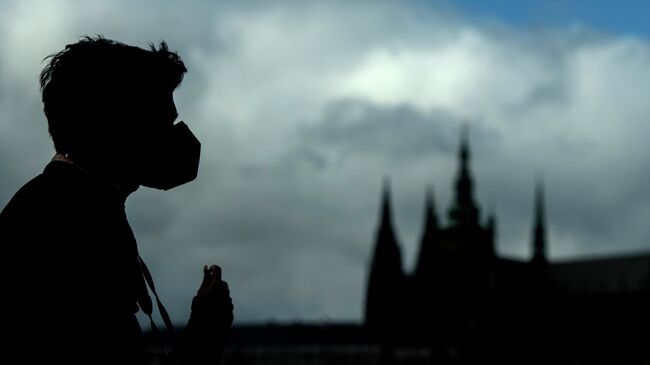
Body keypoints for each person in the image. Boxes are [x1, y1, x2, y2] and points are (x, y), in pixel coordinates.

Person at [0, 36, 233, 364]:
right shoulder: (67, 227)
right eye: (162, 124)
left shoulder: (70, 206)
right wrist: (207, 330)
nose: (175, 137)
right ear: (117, 127)